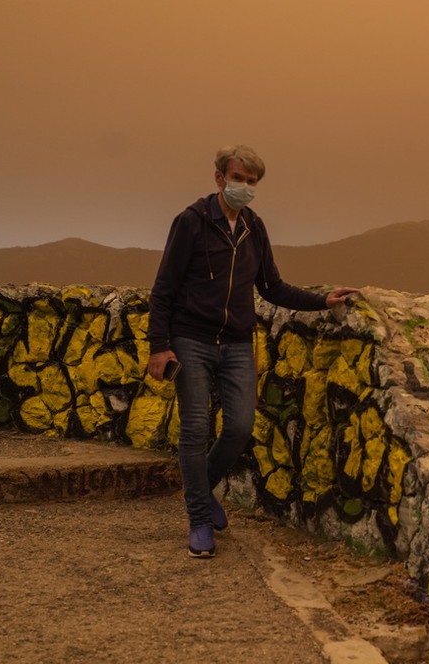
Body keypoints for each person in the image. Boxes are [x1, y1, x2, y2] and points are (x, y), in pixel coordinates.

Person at [147, 144, 357, 558]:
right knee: (194, 431)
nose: (244, 187)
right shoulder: (191, 222)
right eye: (238, 178)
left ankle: (202, 493)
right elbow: (164, 289)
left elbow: (272, 287)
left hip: (239, 342)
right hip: (191, 339)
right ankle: (199, 520)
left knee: (240, 427)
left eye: (251, 181)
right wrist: (159, 347)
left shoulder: (254, 228)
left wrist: (322, 301)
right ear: (219, 178)